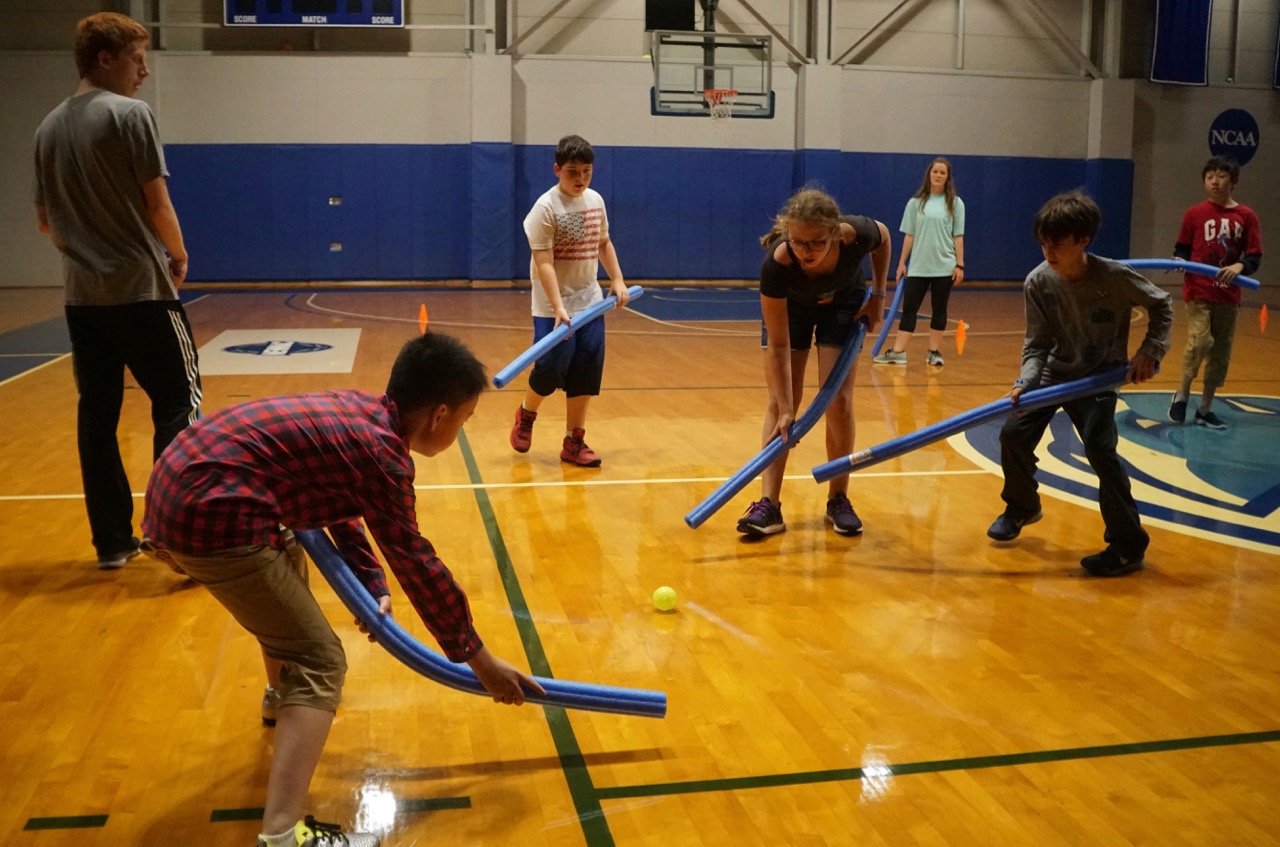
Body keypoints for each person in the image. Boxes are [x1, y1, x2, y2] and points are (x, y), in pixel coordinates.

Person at [142, 332, 545, 847]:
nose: (461, 429)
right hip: (209, 513)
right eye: (465, 419)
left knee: (290, 550)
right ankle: (283, 836)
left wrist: (369, 582)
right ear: (439, 415)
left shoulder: (364, 414)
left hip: (181, 481)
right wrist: (480, 662)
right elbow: (417, 563)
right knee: (321, 661)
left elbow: (332, 497)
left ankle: (281, 696)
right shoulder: (384, 456)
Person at [32, 12, 202, 570]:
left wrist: (86, 242)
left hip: (83, 299)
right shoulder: (130, 115)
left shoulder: (47, 128)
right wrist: (177, 254)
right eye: (136, 60)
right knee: (179, 402)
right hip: (141, 289)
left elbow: (44, 221)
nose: (144, 72)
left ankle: (112, 543)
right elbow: (158, 201)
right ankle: (175, 534)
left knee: (97, 416)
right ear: (105, 59)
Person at [986, 191, 1172, 577]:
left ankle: (1127, 547)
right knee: (1013, 434)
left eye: (1057, 243)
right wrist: (1026, 381)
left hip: (1099, 377)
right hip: (1054, 374)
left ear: (1083, 240)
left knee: (1101, 451)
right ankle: (1022, 507)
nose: (1048, 251)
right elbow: (1036, 344)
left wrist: (1150, 351)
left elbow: (1161, 304)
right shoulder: (1038, 282)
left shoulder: (1114, 277)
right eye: (1043, 243)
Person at [737, 187, 891, 538]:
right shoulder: (778, 265)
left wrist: (879, 296)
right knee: (780, 405)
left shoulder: (854, 234)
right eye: (798, 242)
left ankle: (838, 498)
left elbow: (883, 237)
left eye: (816, 243)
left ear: (835, 234)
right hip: (793, 310)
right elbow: (778, 345)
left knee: (839, 401)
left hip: (843, 303)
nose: (806, 251)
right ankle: (769, 505)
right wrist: (788, 409)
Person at [509, 134, 630, 467]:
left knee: (586, 370)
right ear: (557, 170)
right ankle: (526, 414)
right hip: (552, 306)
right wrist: (558, 308)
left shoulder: (596, 201)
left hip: (589, 303)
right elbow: (544, 263)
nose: (580, 179)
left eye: (586, 171)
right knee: (550, 369)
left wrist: (617, 279)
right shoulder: (544, 209)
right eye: (573, 172)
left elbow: (603, 243)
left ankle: (574, 441)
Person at [1167, 155, 1263, 430]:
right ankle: (1182, 394)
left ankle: (1205, 408)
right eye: (1210, 177)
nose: (1215, 181)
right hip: (1199, 289)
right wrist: (1179, 260)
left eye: (1221, 176)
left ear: (1233, 182)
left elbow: (1254, 255)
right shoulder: (1194, 214)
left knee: (1220, 353)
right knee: (1199, 341)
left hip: (1228, 296)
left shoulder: (1246, 216)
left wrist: (1239, 265)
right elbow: (1182, 248)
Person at [874, 157, 966, 367]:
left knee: (939, 309)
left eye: (942, 172)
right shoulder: (915, 203)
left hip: (944, 267)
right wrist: (901, 263)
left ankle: (934, 352)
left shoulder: (956, 203)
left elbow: (958, 236)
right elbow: (909, 235)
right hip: (918, 267)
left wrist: (959, 264)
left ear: (947, 177)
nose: (938, 175)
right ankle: (898, 352)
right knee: (909, 309)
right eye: (935, 171)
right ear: (929, 174)